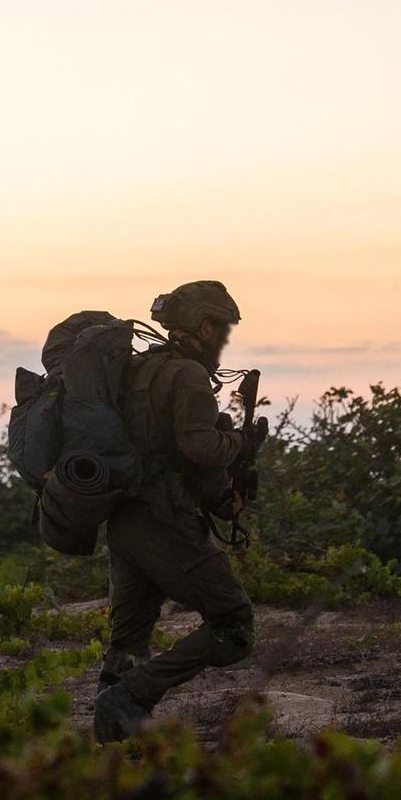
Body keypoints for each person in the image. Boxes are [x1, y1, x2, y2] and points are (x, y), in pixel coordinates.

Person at [92, 281, 263, 743]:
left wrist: (223, 497)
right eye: (223, 330)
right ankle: (129, 699)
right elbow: (199, 447)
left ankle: (111, 740)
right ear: (204, 327)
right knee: (234, 626)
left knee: (129, 639)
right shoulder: (187, 375)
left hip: (125, 521)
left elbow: (170, 453)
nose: (226, 340)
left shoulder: (138, 370)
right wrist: (238, 443)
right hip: (163, 523)